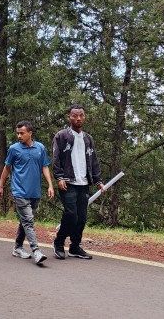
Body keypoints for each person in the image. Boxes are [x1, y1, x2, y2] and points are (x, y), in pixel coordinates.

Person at [0, 121, 54, 264]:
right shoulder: (14, 149)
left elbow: (45, 167)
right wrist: (1, 185)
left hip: (35, 192)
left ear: (30, 133)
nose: (19, 136)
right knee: (28, 221)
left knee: (25, 221)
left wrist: (50, 185)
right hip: (19, 191)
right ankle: (36, 251)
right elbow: (7, 168)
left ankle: (17, 247)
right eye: (18, 133)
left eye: (22, 133)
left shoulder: (40, 148)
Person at [52, 105, 104, 260]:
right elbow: (56, 159)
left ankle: (75, 246)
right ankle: (59, 241)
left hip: (84, 183)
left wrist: (98, 180)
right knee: (71, 214)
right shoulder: (61, 136)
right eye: (75, 115)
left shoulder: (88, 139)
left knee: (81, 217)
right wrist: (59, 177)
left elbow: (93, 161)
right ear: (70, 117)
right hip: (68, 182)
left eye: (81, 115)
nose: (79, 118)